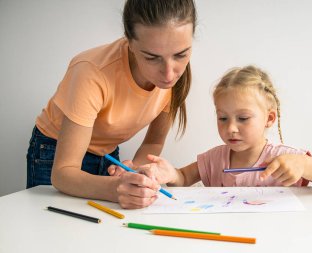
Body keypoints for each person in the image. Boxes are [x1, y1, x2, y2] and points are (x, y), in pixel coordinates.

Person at [26, 0, 197, 209]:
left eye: (181, 54)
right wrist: (117, 188)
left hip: (108, 155)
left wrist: (134, 170)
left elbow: (152, 144)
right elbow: (63, 173)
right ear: (130, 42)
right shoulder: (91, 72)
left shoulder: (176, 76)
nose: (169, 74)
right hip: (54, 151)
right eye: (152, 58)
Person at [133, 65, 312, 190]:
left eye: (243, 118)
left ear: (269, 118)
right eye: (223, 118)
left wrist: (304, 165)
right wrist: (171, 173)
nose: (231, 128)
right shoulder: (214, 159)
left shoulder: (285, 159)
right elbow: (183, 177)